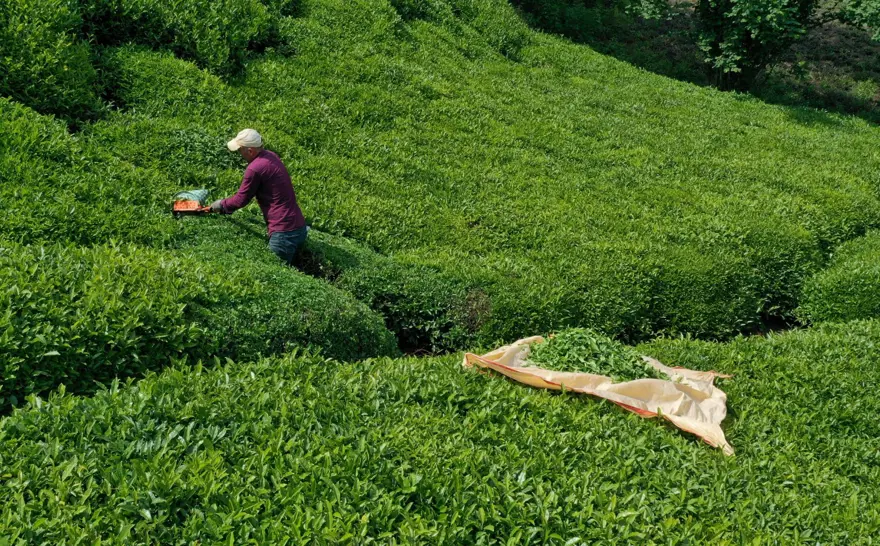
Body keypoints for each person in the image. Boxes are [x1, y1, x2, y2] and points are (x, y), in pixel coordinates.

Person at [210, 129, 308, 265]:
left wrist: (221, 205)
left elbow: (241, 199)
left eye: (240, 150)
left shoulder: (255, 168)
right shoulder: (271, 155)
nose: (240, 154)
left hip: (283, 233)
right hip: (299, 227)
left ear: (250, 151)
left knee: (275, 277)